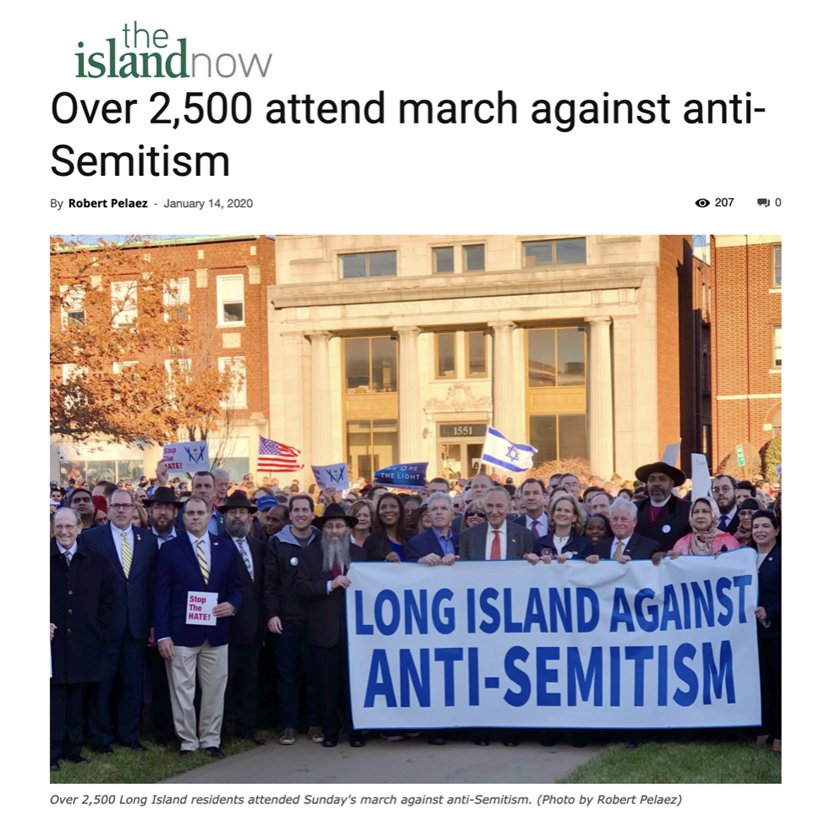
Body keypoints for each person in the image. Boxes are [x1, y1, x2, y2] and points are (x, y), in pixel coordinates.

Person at [153, 496, 243, 759]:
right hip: (180, 632)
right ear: (183, 517)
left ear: (209, 515)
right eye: (190, 513)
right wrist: (163, 635)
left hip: (216, 631)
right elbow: (160, 594)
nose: (195, 517)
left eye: (200, 513)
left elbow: (237, 586)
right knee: (182, 690)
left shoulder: (225, 548)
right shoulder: (170, 549)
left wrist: (233, 605)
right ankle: (187, 741)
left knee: (215, 688)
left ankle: (211, 739)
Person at [81, 488, 158, 753]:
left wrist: (152, 623)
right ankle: (100, 737)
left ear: (135, 509)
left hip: (137, 623)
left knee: (132, 684)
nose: (122, 510)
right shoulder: (91, 539)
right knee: (103, 684)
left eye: (127, 506)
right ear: (109, 509)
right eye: (117, 506)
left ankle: (129, 734)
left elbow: (151, 585)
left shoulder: (147, 540)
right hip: (104, 626)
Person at [296, 504, 367, 748]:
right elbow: (301, 588)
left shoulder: (360, 555)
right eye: (330, 526)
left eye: (339, 526)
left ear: (348, 529)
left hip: (355, 633)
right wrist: (329, 584)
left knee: (353, 683)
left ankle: (355, 731)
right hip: (322, 631)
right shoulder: (310, 555)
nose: (334, 531)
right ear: (323, 530)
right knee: (325, 684)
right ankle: (330, 732)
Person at [50, 508, 115, 772]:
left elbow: (108, 602)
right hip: (50, 647)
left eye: (69, 526)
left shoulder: (97, 562)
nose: (64, 532)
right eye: (59, 526)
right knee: (53, 700)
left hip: (85, 643)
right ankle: (51, 751)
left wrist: (98, 631)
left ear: (79, 528)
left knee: (78, 698)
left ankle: (74, 748)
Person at [264, 493, 323, 745]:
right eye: (296, 510)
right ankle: (289, 724)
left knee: (314, 673)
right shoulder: (277, 542)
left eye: (305, 510)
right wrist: (272, 613)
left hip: (316, 619)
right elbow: (270, 583)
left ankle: (314, 723)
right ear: (290, 515)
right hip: (286, 619)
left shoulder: (321, 540)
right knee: (287, 673)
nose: (300, 514)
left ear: (312, 514)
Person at [218, 491, 266, 744]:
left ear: (250, 517)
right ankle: (223, 730)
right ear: (225, 516)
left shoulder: (258, 546)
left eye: (243, 512)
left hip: (254, 628)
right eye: (233, 512)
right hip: (227, 627)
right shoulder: (217, 545)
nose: (238, 516)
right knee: (225, 682)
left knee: (250, 680)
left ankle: (247, 728)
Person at [751, 510, 781, 752]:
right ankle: (764, 727)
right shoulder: (746, 557)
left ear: (776, 530)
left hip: (776, 631)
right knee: (760, 681)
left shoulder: (783, 557)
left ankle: (781, 731)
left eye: (765, 525)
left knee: (778, 681)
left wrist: (770, 612)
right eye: (756, 526)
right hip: (751, 634)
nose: (760, 530)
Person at [633, 461, 691, 550]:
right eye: (652, 479)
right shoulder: (634, 509)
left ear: (672, 484)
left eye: (662, 479)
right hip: (640, 562)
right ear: (647, 484)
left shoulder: (687, 510)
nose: (656, 483)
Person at [583, 497, 659, 562]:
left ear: (634, 521)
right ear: (610, 521)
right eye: (615, 519)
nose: (619, 523)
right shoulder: (599, 546)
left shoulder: (649, 547)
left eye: (624, 519)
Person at [668, 497, 741, 557]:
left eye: (705, 511)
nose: (700, 516)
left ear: (714, 514)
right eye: (696, 512)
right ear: (691, 516)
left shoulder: (729, 542)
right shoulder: (682, 543)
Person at [530, 493, 589, 562]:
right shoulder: (540, 543)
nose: (562, 514)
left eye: (567, 511)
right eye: (558, 510)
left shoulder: (584, 544)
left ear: (574, 517)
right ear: (553, 514)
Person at [404, 492, 458, 564]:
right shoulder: (416, 543)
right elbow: (408, 567)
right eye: (434, 509)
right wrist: (420, 561)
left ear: (452, 514)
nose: (439, 512)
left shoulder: (460, 539)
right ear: (429, 515)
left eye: (444, 508)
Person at [364, 493, 408, 562]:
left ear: (400, 511)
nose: (388, 510)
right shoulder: (371, 541)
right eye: (383, 507)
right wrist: (385, 561)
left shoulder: (411, 537)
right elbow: (367, 568)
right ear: (378, 513)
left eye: (393, 506)